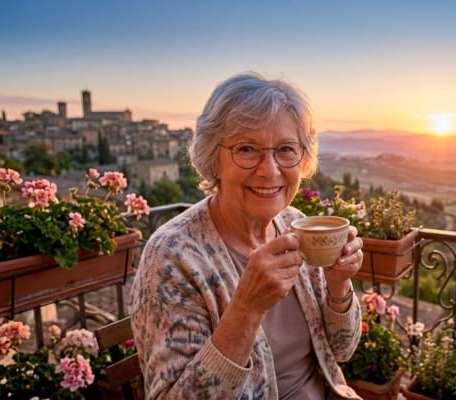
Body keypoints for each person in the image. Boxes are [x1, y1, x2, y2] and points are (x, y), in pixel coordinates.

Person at [130, 72, 364, 400]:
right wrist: (246, 309)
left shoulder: (296, 226)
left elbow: (342, 350)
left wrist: (339, 284)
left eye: (285, 149)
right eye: (247, 149)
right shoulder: (173, 256)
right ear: (213, 159)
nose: (269, 170)